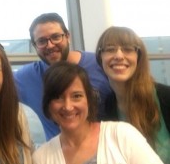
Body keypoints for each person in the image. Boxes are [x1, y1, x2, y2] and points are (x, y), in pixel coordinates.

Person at [32, 61, 164, 164]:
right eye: (58, 97)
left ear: (88, 100)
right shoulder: (41, 157)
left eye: (76, 96)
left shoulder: (122, 135)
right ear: (48, 104)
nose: (68, 107)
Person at [14, 12, 112, 140]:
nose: (50, 45)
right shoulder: (24, 78)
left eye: (56, 37)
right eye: (42, 41)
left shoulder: (99, 65)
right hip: (56, 155)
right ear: (34, 46)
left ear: (68, 36)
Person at [95, 26, 170, 163]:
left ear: (138, 57)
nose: (118, 56)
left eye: (128, 49)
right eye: (110, 49)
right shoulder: (107, 106)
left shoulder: (166, 97)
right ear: (100, 57)